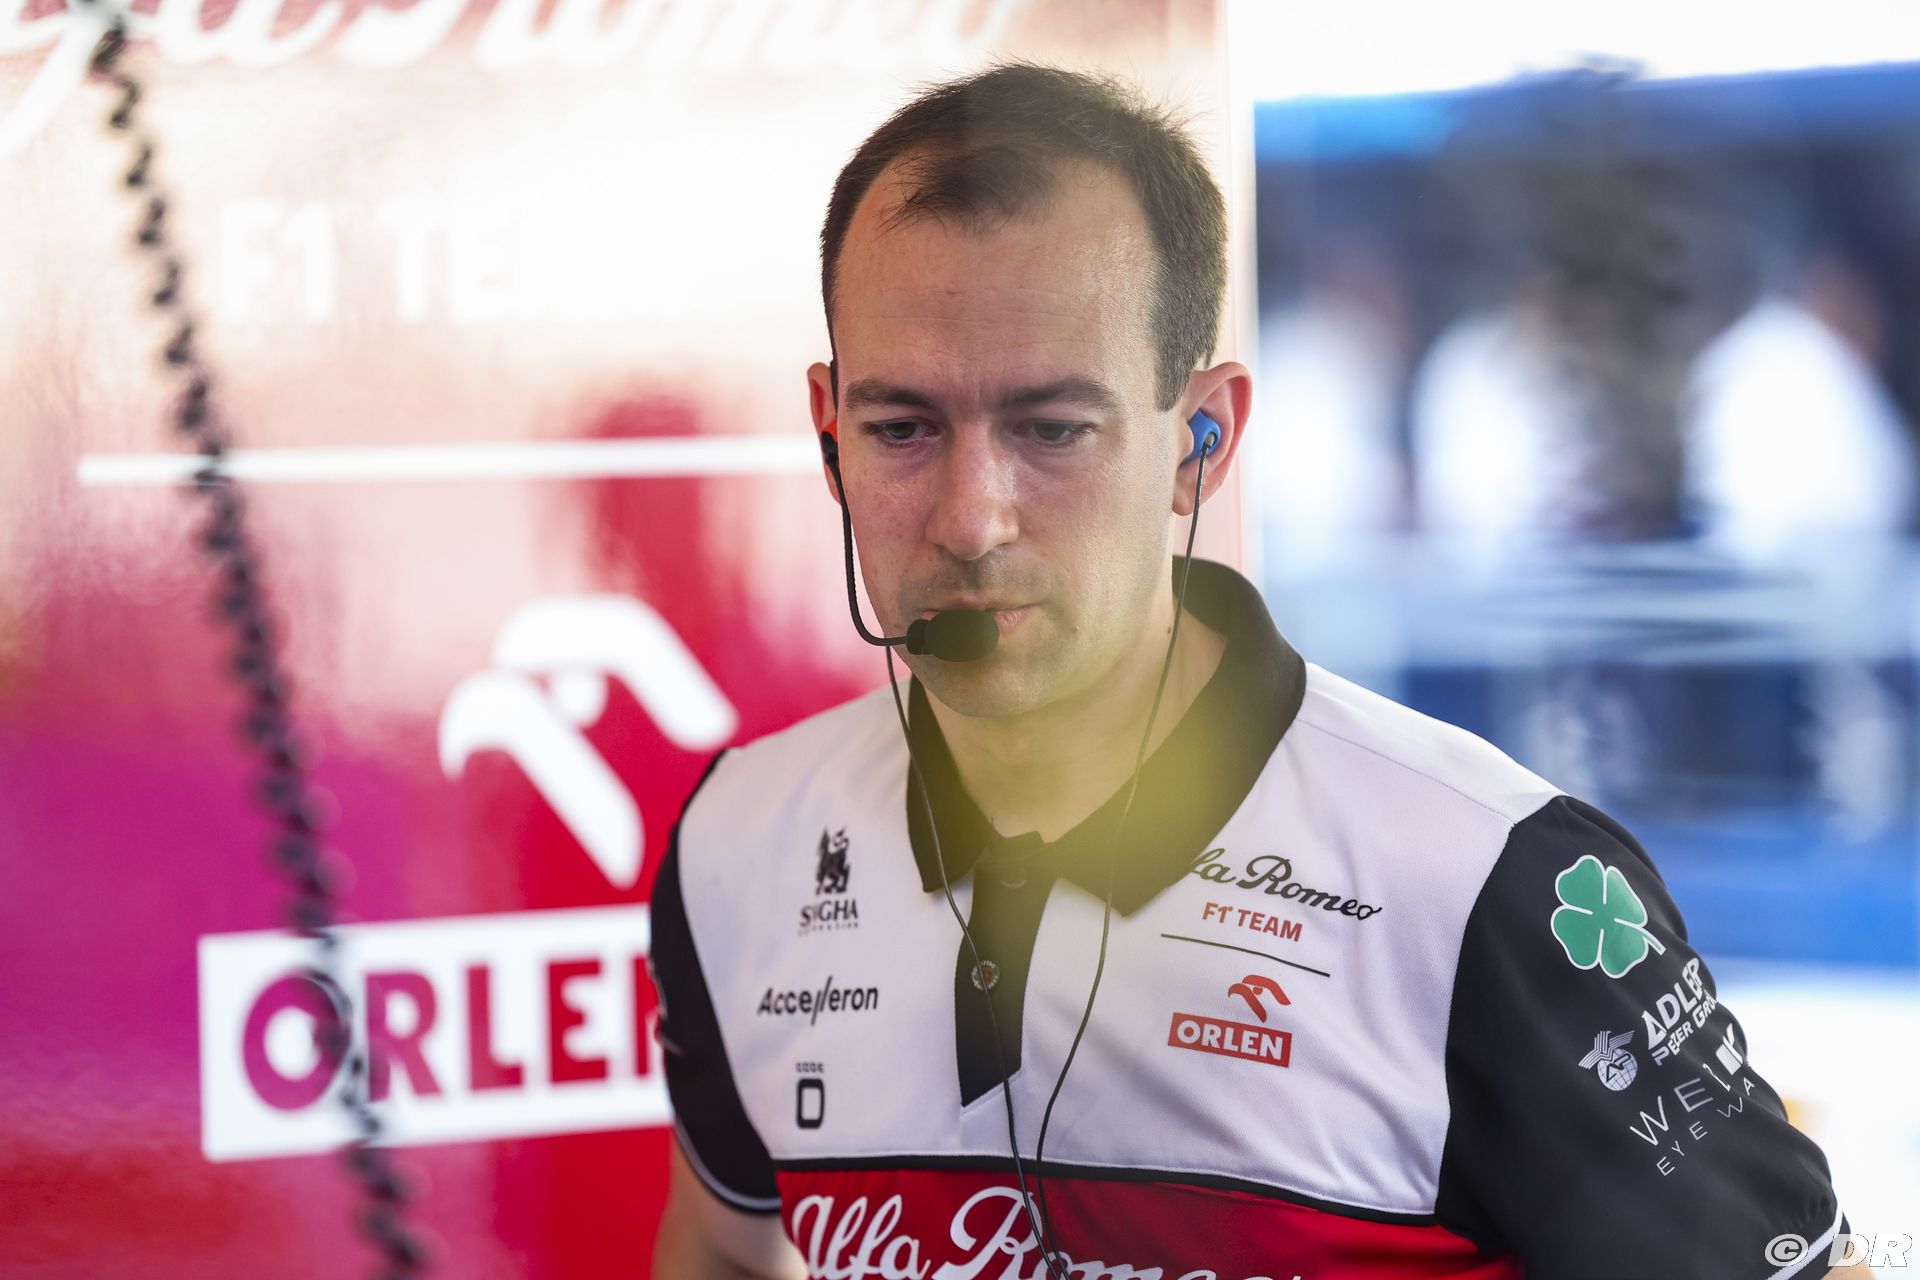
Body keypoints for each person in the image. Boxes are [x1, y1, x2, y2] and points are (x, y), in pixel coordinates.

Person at [647, 63, 1859, 1279]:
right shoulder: (741, 843)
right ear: (830, 434)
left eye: (1052, 428)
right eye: (902, 428)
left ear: (1202, 441)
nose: (972, 517)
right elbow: (726, 1247)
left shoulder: (1488, 882)